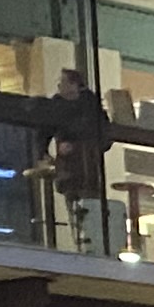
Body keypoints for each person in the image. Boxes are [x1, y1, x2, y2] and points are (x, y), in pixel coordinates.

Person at [42, 69, 111, 252]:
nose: (59, 86)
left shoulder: (90, 106)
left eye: (63, 82)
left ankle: (91, 245)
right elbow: (45, 130)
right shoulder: (59, 106)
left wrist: (81, 146)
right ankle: (80, 244)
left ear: (73, 85)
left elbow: (104, 136)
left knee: (89, 208)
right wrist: (45, 152)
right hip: (72, 167)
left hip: (86, 166)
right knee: (74, 205)